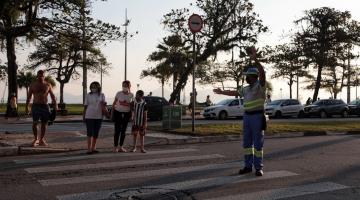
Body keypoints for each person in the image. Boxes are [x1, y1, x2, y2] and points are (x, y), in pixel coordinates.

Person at [214, 46, 266, 176]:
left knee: (258, 145)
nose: (247, 78)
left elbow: (262, 72)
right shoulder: (246, 89)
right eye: (246, 76)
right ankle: (247, 166)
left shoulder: (260, 86)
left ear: (254, 76)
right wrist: (222, 92)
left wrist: (256, 60)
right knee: (247, 144)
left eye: (249, 76)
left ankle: (258, 168)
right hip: (247, 117)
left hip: (257, 117)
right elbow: (234, 92)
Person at [25, 70, 57, 147]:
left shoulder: (48, 85)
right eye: (39, 75)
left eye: (42, 76)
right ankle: (36, 139)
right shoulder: (33, 85)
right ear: (37, 76)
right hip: (35, 105)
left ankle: (41, 139)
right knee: (35, 123)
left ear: (44, 76)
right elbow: (29, 97)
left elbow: (52, 96)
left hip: (45, 106)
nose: (41, 77)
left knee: (44, 123)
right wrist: (27, 107)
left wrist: (55, 105)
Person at [83, 81, 109, 154]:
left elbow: (104, 105)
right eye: (92, 87)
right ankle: (89, 149)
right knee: (89, 132)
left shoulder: (102, 95)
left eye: (95, 87)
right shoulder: (88, 95)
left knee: (96, 133)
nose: (93, 88)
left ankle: (94, 148)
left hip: (99, 116)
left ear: (98, 87)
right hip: (89, 116)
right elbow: (85, 106)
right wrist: (84, 116)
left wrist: (104, 105)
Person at [112, 80, 133, 152]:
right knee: (117, 130)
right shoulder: (119, 93)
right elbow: (114, 103)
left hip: (126, 114)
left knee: (123, 131)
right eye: (124, 85)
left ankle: (121, 146)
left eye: (127, 86)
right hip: (118, 113)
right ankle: (115, 147)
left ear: (130, 86)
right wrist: (112, 113)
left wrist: (131, 115)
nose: (125, 87)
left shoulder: (131, 95)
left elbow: (132, 106)